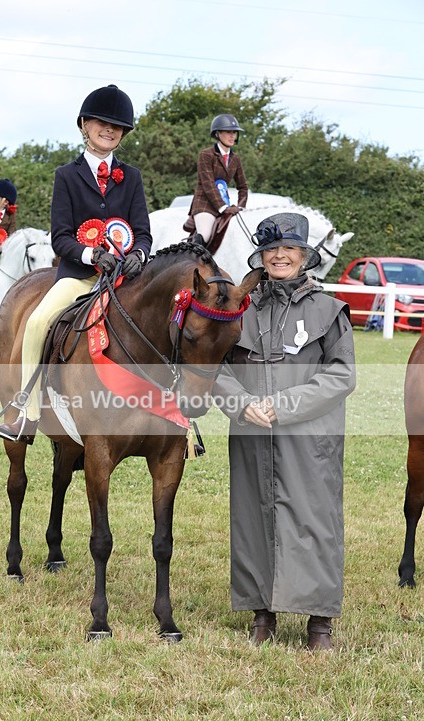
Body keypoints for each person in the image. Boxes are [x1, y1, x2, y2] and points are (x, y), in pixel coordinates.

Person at [213, 213, 356, 651]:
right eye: (271, 249)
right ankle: (262, 613)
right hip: (252, 435)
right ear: (261, 255)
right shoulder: (240, 310)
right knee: (254, 517)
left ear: (304, 255)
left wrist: (283, 406)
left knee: (315, 520)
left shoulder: (328, 311)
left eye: (288, 249)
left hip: (309, 438)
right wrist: (240, 404)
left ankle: (319, 622)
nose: (280, 255)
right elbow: (215, 368)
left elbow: (341, 375)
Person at [0, 84, 152, 443]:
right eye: (102, 123)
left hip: (125, 282)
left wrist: (138, 256)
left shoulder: (133, 177)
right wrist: (91, 254)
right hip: (79, 277)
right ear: (84, 125)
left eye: (117, 126)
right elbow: (60, 237)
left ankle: (180, 422)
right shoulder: (67, 175)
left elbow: (142, 232)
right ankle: (27, 412)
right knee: (35, 323)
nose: (109, 130)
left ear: (123, 133)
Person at [189, 114, 248, 247]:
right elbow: (208, 184)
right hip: (205, 205)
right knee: (205, 234)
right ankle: (193, 262)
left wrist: (241, 207)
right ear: (217, 134)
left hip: (226, 204)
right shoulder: (206, 155)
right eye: (228, 132)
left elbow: (243, 186)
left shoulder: (235, 158)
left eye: (234, 132)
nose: (232, 136)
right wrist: (222, 207)